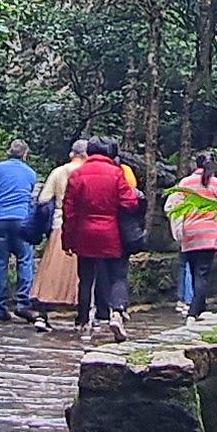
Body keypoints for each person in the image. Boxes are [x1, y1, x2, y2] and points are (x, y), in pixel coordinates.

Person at [58, 136, 145, 343]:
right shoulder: (117, 174)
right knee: (118, 275)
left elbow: (68, 211)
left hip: (85, 233)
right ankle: (116, 313)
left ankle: (83, 320)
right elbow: (130, 203)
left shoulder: (77, 175)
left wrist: (68, 240)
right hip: (111, 233)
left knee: (86, 278)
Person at [0, 139, 40, 322]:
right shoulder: (31, 173)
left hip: (1, 219)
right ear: (25, 155)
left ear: (8, 152)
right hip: (22, 220)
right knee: (25, 260)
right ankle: (22, 304)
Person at [27, 139, 85, 329]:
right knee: (84, 273)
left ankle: (42, 315)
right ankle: (81, 317)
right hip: (84, 226)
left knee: (50, 270)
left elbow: (43, 199)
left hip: (60, 223)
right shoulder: (88, 172)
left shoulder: (58, 172)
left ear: (71, 154)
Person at [166, 151, 217, 317]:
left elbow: (175, 207)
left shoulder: (185, 183)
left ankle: (199, 308)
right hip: (209, 235)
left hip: (190, 234)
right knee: (202, 273)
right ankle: (195, 311)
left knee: (195, 272)